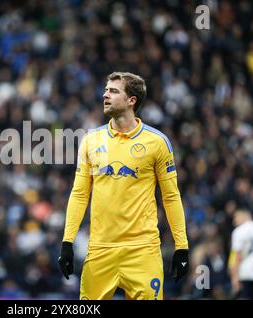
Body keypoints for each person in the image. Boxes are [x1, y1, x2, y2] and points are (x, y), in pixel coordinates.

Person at [58, 72, 189, 300]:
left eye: (113, 91)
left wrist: (182, 245)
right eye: (106, 90)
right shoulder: (91, 140)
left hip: (142, 250)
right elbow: (79, 194)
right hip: (100, 249)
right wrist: (67, 242)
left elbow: (171, 197)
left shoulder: (157, 142)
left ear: (132, 101)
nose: (105, 95)